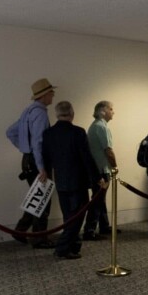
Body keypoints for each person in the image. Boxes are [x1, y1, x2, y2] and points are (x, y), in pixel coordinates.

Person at [42, 101, 107, 259]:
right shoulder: (78, 132)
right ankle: (63, 247)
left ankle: (74, 246)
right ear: (72, 114)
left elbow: (46, 158)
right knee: (78, 217)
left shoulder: (48, 133)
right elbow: (87, 158)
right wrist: (98, 178)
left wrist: (45, 173)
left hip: (61, 180)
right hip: (78, 181)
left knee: (68, 217)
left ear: (57, 114)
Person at [5, 78, 55, 249]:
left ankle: (21, 230)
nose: (53, 95)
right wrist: (41, 167)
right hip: (37, 160)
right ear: (45, 95)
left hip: (28, 159)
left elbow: (10, 132)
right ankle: (39, 238)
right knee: (43, 199)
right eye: (51, 92)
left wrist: (23, 148)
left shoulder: (28, 111)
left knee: (37, 196)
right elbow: (39, 142)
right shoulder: (40, 113)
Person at [85, 100, 117, 240]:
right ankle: (89, 230)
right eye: (111, 109)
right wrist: (115, 166)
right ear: (102, 111)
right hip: (101, 170)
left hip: (97, 168)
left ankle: (104, 226)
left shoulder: (95, 126)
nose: (113, 112)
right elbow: (108, 150)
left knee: (100, 199)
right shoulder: (101, 127)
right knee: (97, 200)